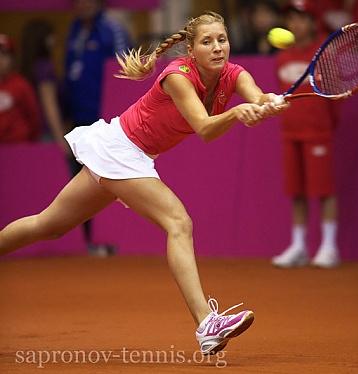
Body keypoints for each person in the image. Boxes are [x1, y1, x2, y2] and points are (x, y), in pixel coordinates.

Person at [0, 11, 288, 355]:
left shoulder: (234, 74)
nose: (217, 48)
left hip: (125, 152)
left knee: (49, 225)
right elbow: (205, 128)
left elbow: (255, 96)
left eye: (222, 40)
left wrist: (267, 103)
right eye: (207, 42)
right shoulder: (177, 76)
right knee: (178, 222)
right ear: (190, 50)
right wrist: (236, 114)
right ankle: (205, 323)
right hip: (122, 148)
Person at [271, 0, 341, 269]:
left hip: (318, 133)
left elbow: (335, 99)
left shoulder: (324, 52)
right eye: (292, 19)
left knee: (324, 191)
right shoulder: (283, 56)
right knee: (296, 191)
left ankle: (329, 246)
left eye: (302, 19)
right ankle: (299, 246)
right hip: (291, 133)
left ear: (313, 23)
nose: (296, 24)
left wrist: (325, 126)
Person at [64, 0, 133, 254]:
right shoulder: (74, 29)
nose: (83, 4)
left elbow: (125, 73)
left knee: (107, 180)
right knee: (80, 182)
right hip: (78, 121)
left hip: (104, 121)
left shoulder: (112, 29)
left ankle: (107, 239)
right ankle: (87, 241)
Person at [20, 20, 70, 154]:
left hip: (34, 131)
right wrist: (61, 140)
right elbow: (50, 107)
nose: (54, 41)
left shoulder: (29, 66)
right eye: (52, 36)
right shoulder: (45, 68)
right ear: (44, 40)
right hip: (48, 134)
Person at [0, 34, 41, 144]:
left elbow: (34, 117)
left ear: (12, 59)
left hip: (18, 146)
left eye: (4, 55)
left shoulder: (20, 85)